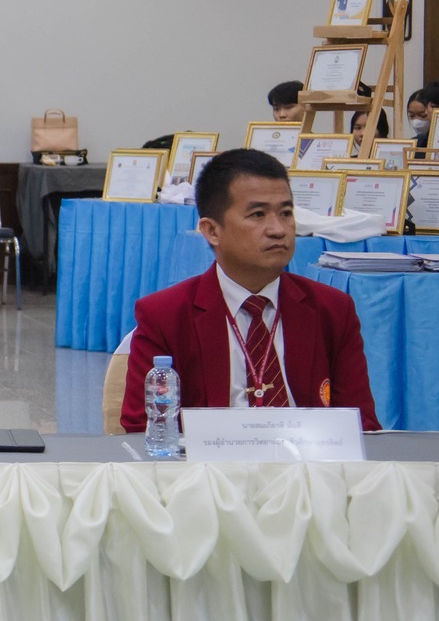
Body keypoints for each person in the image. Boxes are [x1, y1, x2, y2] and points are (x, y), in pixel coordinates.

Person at [119, 148, 378, 431]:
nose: (278, 229)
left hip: (310, 470)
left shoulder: (332, 309)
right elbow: (143, 429)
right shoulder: (165, 316)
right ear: (212, 231)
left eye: (286, 213)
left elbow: (361, 425)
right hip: (208, 472)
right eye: (258, 214)